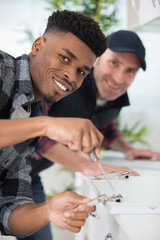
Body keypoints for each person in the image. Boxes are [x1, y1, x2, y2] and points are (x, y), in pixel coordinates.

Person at [21, 30, 160, 240]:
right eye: (114, 63)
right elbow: (35, 133)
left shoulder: (114, 98)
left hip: (28, 177)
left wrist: (127, 149)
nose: (119, 78)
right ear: (97, 58)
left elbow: (104, 126)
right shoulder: (66, 81)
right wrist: (87, 166)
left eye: (130, 71)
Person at [0, 10, 107, 237]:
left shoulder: (32, 116)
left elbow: (8, 211)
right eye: (64, 58)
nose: (71, 76)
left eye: (81, 72)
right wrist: (45, 125)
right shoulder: (1, 68)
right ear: (38, 45)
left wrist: (47, 210)